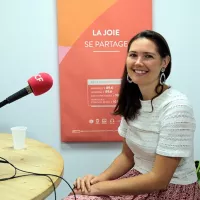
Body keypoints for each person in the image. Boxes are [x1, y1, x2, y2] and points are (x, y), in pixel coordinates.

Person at [64, 30, 200, 200]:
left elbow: (159, 179)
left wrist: (99, 188)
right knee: (76, 196)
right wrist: (97, 180)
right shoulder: (133, 100)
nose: (138, 62)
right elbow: (127, 156)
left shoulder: (177, 107)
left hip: (171, 190)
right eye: (133, 55)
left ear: (164, 62)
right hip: (138, 178)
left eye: (148, 56)